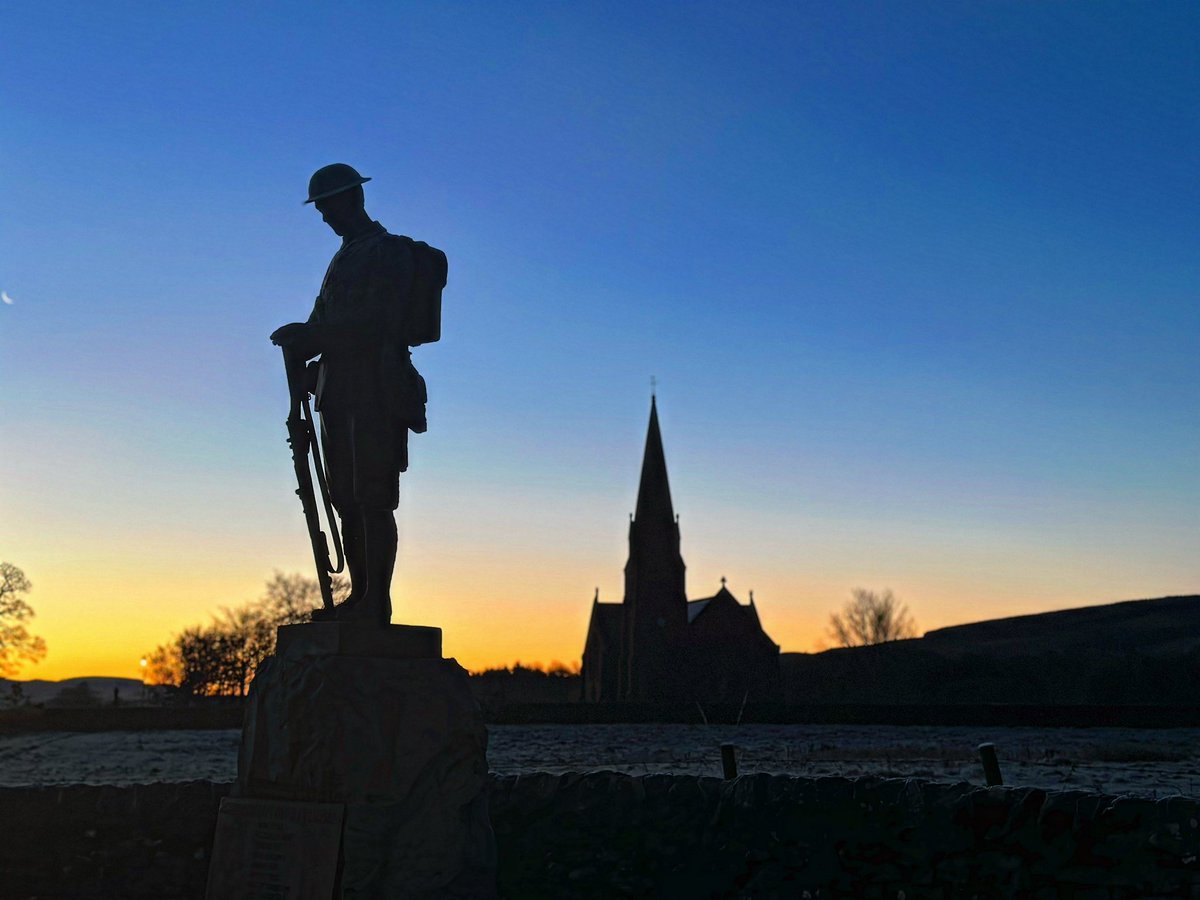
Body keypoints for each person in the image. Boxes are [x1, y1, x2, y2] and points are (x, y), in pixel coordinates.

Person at [271, 164, 429, 626]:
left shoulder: (386, 253)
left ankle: (375, 603)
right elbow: (327, 325)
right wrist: (306, 357)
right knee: (347, 499)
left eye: (328, 207)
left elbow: (377, 323)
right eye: (319, 210)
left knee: (372, 496)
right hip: (339, 391)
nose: (324, 217)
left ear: (353, 200)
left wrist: (311, 336)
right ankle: (360, 597)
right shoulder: (343, 258)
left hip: (376, 390)